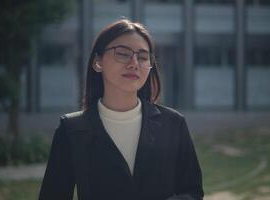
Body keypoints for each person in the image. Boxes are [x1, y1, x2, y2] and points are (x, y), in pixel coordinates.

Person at [39, 19, 204, 200]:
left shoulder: (173, 124)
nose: (134, 63)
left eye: (142, 57)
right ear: (97, 62)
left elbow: (192, 192)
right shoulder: (71, 129)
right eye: (123, 53)